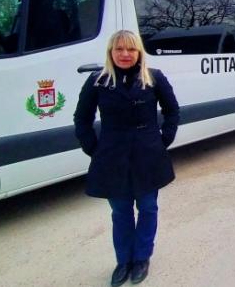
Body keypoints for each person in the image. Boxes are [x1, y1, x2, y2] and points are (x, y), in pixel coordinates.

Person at [74, 30, 179, 285]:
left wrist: (162, 140)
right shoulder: (98, 81)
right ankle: (124, 261)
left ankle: (142, 258)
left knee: (147, 208)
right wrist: (93, 149)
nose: (125, 54)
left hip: (148, 156)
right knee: (120, 213)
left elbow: (172, 111)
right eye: (119, 49)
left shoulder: (154, 78)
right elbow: (82, 119)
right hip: (112, 158)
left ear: (139, 52)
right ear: (111, 52)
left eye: (131, 49)